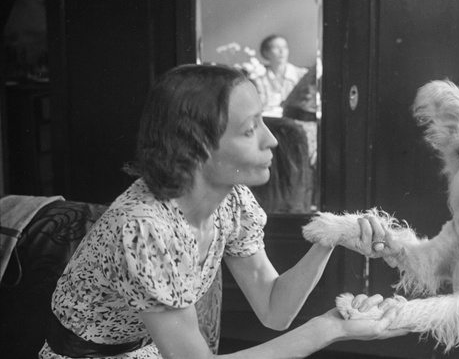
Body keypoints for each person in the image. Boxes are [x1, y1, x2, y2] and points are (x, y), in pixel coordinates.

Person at [39, 64, 408, 358]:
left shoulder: (232, 202)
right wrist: (331, 329)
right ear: (196, 148)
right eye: (250, 130)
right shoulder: (143, 228)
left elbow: (274, 310)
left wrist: (332, 236)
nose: (273, 139)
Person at [254, 34, 308, 117]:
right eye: (276, 47)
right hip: (270, 120)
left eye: (285, 47)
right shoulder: (259, 77)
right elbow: (260, 106)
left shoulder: (301, 75)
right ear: (266, 52)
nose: (281, 51)